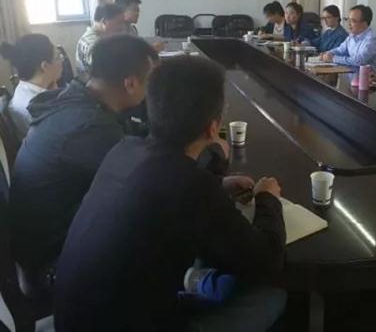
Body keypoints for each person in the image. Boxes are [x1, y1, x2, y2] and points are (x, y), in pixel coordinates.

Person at [54, 56, 286, 332]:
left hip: (73, 316)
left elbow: (162, 188)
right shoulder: (191, 185)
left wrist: (218, 184)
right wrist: (267, 198)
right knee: (271, 297)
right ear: (213, 128)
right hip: (125, 324)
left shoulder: (125, 149)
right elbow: (266, 261)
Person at [10, 35, 157, 280]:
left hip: (48, 242)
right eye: (150, 79)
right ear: (131, 83)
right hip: (53, 264)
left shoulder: (78, 98)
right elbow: (146, 182)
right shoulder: (88, 126)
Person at [0, 34, 63, 139]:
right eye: (58, 57)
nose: (62, 60)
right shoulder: (39, 107)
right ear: (45, 66)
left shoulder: (23, 87)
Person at [320, 4, 376, 70]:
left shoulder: (373, 39)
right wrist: (328, 53)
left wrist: (333, 58)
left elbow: (359, 61)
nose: (348, 23)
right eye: (348, 19)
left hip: (366, 75)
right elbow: (340, 50)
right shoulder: (351, 36)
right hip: (348, 73)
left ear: (364, 23)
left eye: (353, 21)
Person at [76, 3, 126, 75]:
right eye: (119, 23)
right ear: (104, 22)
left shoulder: (103, 38)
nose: (123, 27)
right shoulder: (93, 43)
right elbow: (106, 68)